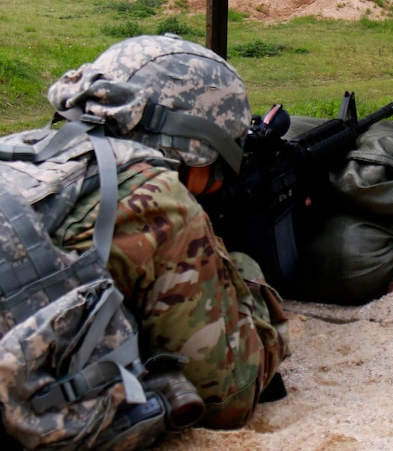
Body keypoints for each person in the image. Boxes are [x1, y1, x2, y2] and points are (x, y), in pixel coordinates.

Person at [36, 33, 290, 430]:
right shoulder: (160, 202)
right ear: (193, 147)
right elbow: (228, 398)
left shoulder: (27, 153)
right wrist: (241, 273)